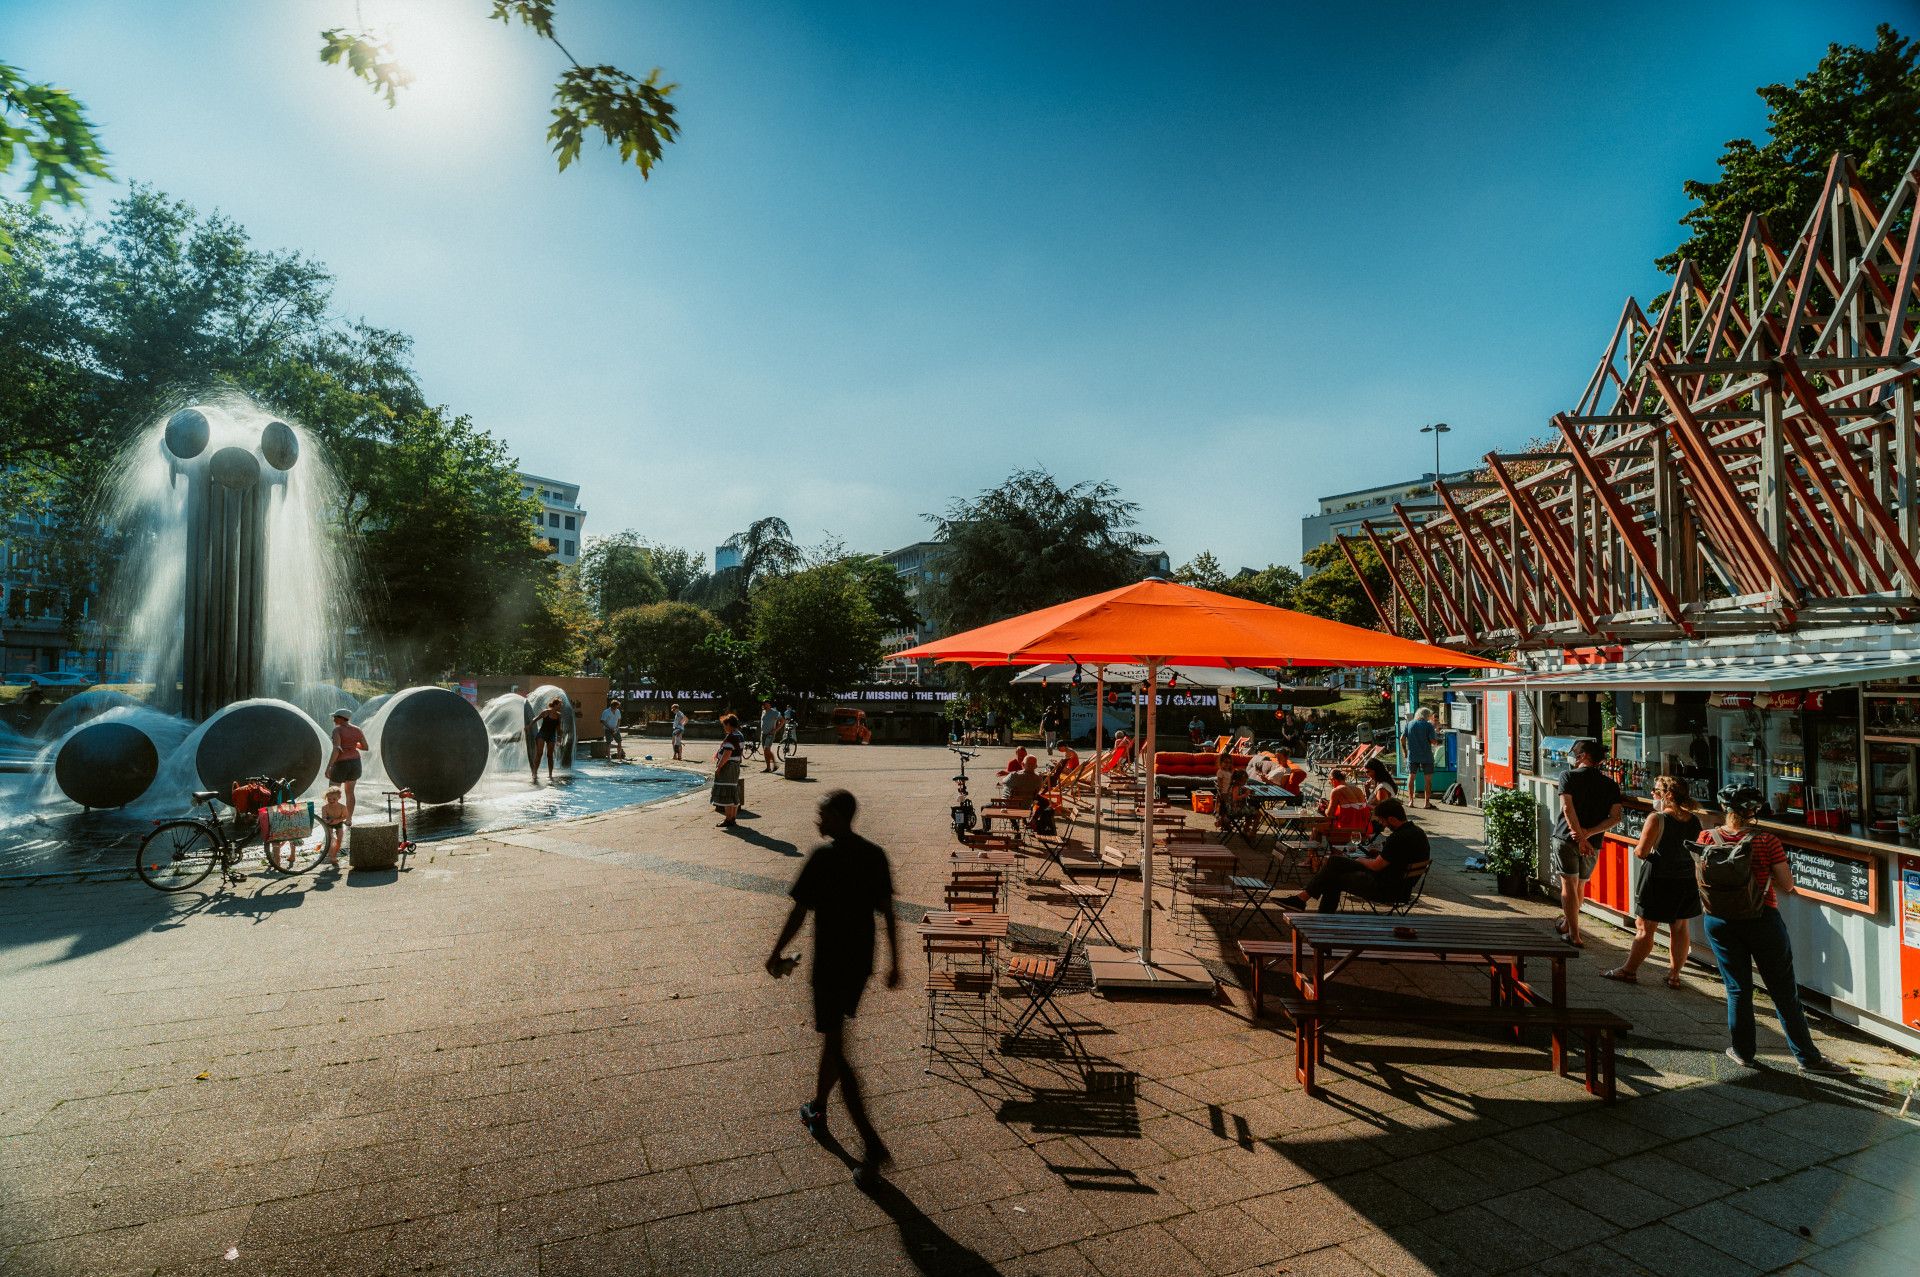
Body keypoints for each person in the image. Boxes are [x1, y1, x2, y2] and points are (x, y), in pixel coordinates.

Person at [766, 790, 899, 1185]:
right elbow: (888, 912)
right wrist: (895, 963)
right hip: (860, 962)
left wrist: (775, 953)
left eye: (822, 813)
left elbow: (799, 910)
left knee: (839, 1049)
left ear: (839, 816)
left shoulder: (823, 857)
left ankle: (871, 1143)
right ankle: (819, 1106)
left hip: (829, 964)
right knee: (834, 1034)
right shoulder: (874, 854)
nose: (818, 821)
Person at [1697, 786, 1847, 1074]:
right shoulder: (1766, 841)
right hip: (1761, 918)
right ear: (1753, 811)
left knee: (1738, 989)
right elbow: (1787, 883)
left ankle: (1742, 1051)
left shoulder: (1707, 837)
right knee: (1782, 991)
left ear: (1725, 809)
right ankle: (1807, 1058)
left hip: (1719, 920)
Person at [1602, 775, 1702, 988]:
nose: (1652, 794)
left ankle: (1629, 970)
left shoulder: (1657, 819)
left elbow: (1641, 852)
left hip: (1659, 877)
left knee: (1646, 926)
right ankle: (1674, 975)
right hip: (1685, 878)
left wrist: (1644, 849)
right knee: (1680, 927)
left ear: (1669, 795)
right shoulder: (1694, 820)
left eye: (1656, 791)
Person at [1280, 798, 1428, 912]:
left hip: (1385, 888)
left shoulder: (1398, 837)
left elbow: (1377, 866)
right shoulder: (1417, 833)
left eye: (1383, 821)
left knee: (1333, 873)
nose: (1383, 825)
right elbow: (1398, 857)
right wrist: (1380, 854)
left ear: (1391, 819)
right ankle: (1303, 901)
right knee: (1334, 863)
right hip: (1400, 886)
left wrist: (1362, 859)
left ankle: (1306, 904)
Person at [1552, 738, 1622, 947]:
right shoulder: (1610, 784)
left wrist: (1579, 836)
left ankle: (1574, 935)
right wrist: (1589, 834)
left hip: (1566, 837)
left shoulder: (1568, 776)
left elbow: (1567, 808)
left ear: (1583, 757)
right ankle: (1567, 924)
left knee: (1568, 884)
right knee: (1580, 885)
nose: (1573, 757)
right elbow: (1616, 817)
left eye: (1575, 753)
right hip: (1594, 842)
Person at [326, 709, 368, 821]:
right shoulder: (357, 729)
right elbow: (365, 747)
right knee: (350, 793)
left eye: (335, 717)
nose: (333, 719)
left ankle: (333, 820)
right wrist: (352, 745)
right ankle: (348, 819)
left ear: (340, 718)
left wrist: (329, 767)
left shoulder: (337, 730)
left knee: (332, 793)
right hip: (355, 763)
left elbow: (336, 750)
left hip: (341, 764)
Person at [712, 713, 746, 827]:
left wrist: (719, 766)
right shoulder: (739, 734)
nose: (724, 727)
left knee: (727, 791)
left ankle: (728, 819)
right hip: (735, 765)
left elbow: (727, 753)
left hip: (728, 767)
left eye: (725, 725)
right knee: (733, 791)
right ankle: (732, 818)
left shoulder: (731, 736)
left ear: (730, 725)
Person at [1403, 707, 1439, 809]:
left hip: (1412, 755)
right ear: (1427, 716)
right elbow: (1433, 741)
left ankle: (1411, 801)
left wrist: (1405, 751)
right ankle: (1427, 803)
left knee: (1411, 777)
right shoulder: (1428, 726)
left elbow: (1402, 738)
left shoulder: (1409, 724)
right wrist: (1436, 740)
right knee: (1428, 780)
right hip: (1426, 756)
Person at [529, 696, 564, 784]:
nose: (560, 707)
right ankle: (534, 772)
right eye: (559, 705)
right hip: (542, 734)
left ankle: (550, 774)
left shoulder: (559, 715)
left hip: (551, 735)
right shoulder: (546, 712)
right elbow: (535, 719)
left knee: (550, 755)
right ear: (555, 705)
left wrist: (559, 739)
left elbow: (558, 728)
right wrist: (529, 726)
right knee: (539, 753)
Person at [319, 785, 349, 871]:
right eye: (329, 799)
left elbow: (346, 816)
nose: (331, 801)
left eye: (334, 799)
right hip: (329, 823)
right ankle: (331, 856)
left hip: (338, 823)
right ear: (326, 798)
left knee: (339, 839)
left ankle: (334, 854)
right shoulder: (324, 808)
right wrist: (327, 820)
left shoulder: (342, 807)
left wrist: (338, 820)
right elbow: (324, 817)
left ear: (339, 797)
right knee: (331, 839)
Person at [759, 701, 782, 773]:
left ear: (769, 705)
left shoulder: (775, 712)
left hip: (770, 734)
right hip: (763, 734)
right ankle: (769, 767)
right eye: (764, 705)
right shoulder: (763, 712)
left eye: (766, 704)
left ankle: (771, 766)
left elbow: (782, 721)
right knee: (766, 751)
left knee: (766, 749)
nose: (765, 706)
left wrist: (775, 730)